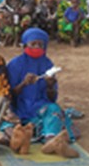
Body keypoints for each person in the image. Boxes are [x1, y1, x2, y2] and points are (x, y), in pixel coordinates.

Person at [7, 28, 79, 158]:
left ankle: (50, 140)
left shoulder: (47, 64)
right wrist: (23, 84)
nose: (37, 47)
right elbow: (9, 94)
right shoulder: (15, 64)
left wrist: (50, 86)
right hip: (22, 108)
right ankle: (53, 140)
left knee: (52, 109)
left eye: (40, 45)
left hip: (41, 106)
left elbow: (52, 98)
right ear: (25, 45)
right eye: (33, 44)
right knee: (57, 116)